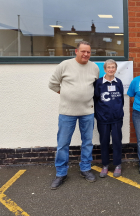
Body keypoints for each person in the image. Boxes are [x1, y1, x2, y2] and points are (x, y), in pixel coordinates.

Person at [48, 41, 99, 189]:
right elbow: (52, 84)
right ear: (76, 51)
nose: (86, 54)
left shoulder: (94, 67)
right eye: (83, 51)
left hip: (87, 111)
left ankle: (85, 169)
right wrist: (66, 94)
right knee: (63, 144)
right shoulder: (64, 65)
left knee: (87, 142)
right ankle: (61, 173)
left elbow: (95, 87)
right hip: (67, 112)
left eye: (88, 52)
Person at [94, 59, 124, 178]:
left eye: (113, 67)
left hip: (117, 118)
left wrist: (118, 111)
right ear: (105, 69)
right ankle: (105, 165)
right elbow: (96, 98)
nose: (111, 69)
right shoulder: (99, 83)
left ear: (116, 69)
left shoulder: (119, 82)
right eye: (108, 67)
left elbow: (121, 99)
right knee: (104, 142)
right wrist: (99, 114)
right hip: (103, 119)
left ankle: (117, 165)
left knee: (117, 142)